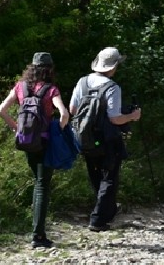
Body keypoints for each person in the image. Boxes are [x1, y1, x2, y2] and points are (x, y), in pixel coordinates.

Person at [0, 52, 70, 249]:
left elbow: (0, 110)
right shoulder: (51, 89)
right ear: (50, 69)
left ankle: (37, 233)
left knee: (38, 182)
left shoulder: (20, 87)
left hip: (26, 141)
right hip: (45, 142)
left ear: (31, 68)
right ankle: (38, 236)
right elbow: (64, 114)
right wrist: (58, 130)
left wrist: (16, 128)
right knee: (42, 185)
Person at [69, 46, 142, 232]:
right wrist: (132, 116)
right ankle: (98, 219)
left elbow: (73, 109)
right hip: (107, 139)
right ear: (114, 66)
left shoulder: (82, 82)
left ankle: (107, 211)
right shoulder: (112, 87)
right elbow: (115, 118)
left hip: (86, 136)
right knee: (109, 177)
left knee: (95, 174)